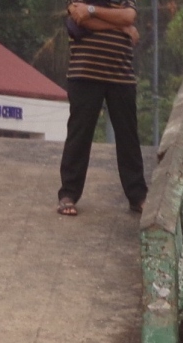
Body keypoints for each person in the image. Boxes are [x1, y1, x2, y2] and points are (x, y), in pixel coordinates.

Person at [57, 1, 147, 217]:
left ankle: (137, 196)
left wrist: (94, 12)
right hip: (85, 72)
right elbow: (79, 19)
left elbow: (128, 17)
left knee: (128, 138)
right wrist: (120, 27)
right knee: (79, 135)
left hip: (121, 74)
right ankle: (68, 194)